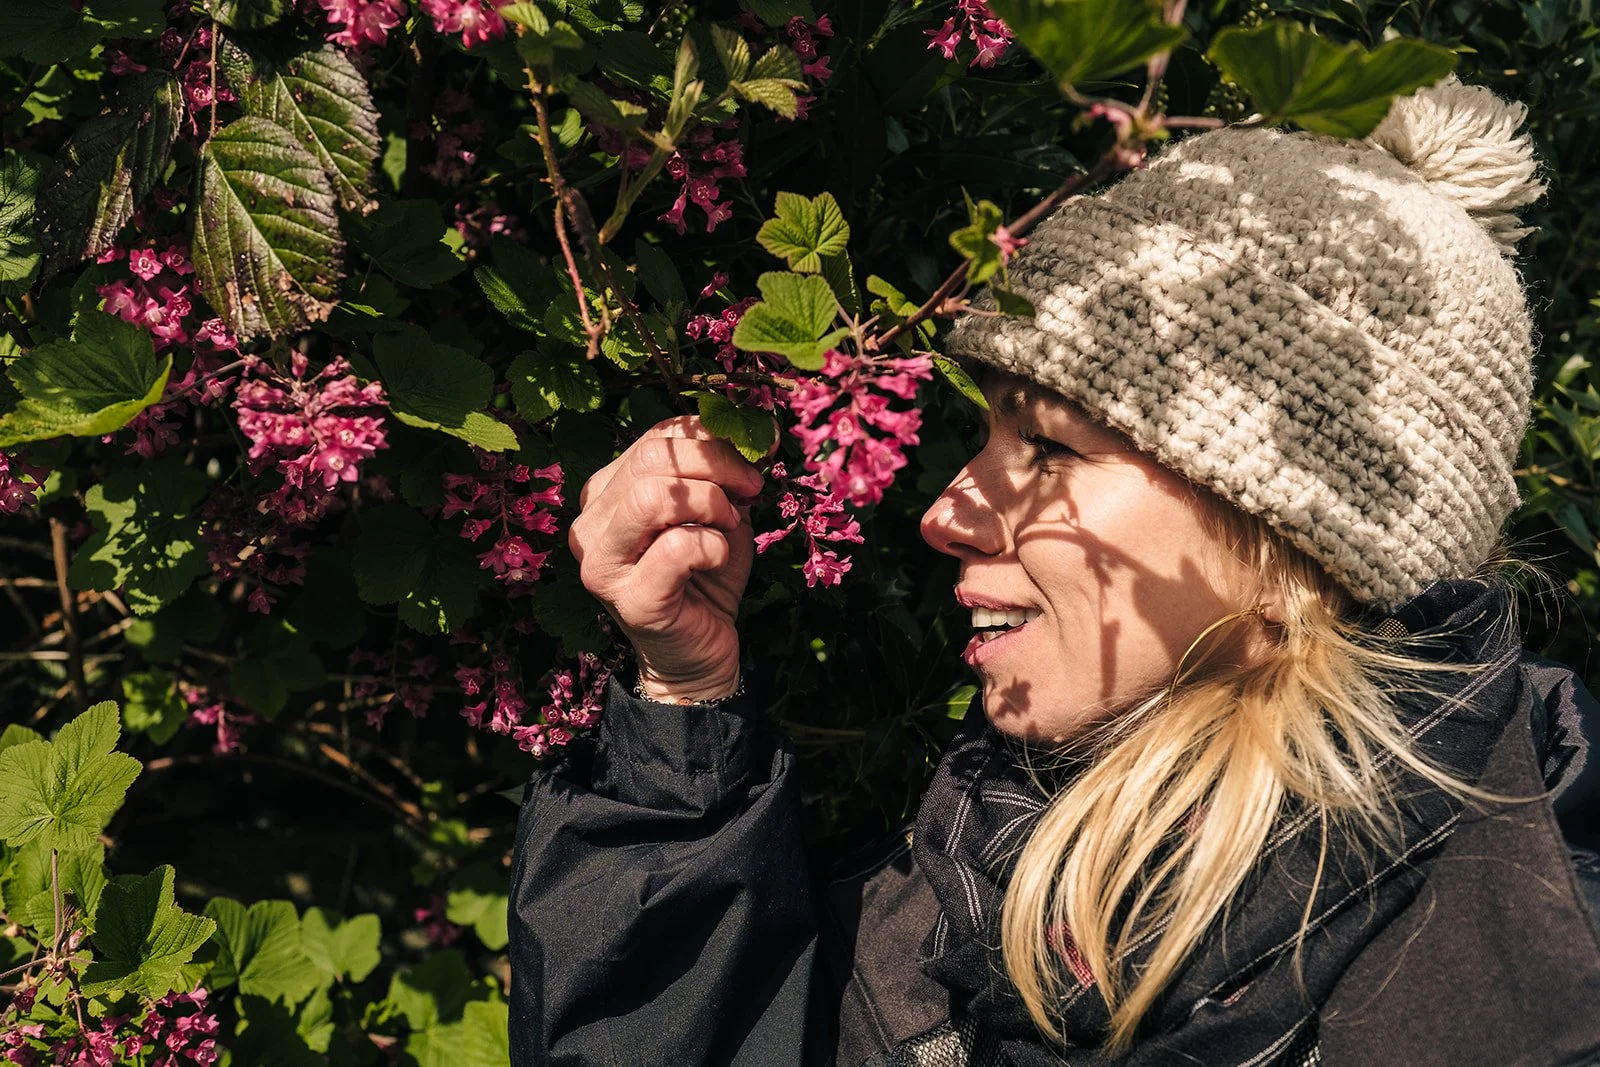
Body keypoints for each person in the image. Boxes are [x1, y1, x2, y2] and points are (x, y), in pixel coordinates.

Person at [507, 77, 1600, 1066]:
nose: (943, 514)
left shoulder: (1527, 993)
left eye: (1055, 450)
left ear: (1296, 545)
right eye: (983, 439)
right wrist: (683, 715)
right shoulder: (966, 879)